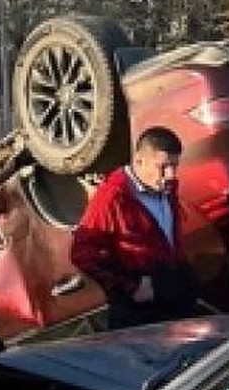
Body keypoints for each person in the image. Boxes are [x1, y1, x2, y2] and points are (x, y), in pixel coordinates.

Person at [70, 126, 199, 330]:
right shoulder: (112, 198)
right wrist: (131, 286)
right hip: (141, 313)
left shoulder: (166, 186)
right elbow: (82, 254)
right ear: (139, 160)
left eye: (175, 166)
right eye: (163, 166)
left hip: (175, 298)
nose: (171, 175)